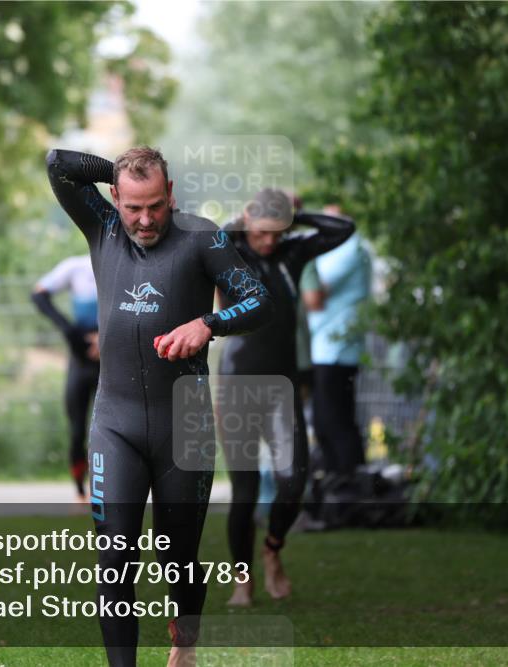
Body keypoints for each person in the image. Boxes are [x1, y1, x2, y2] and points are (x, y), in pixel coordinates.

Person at [46, 146, 274, 667]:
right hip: (116, 425)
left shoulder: (201, 237)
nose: (145, 219)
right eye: (133, 206)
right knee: (115, 560)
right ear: (114, 199)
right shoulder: (102, 227)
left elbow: (261, 300)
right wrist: (123, 171)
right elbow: (57, 162)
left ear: (170, 195)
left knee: (178, 559)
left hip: (184, 426)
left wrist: (208, 324)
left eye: (155, 205)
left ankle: (184, 643)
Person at [216, 189, 353, 606]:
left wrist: (295, 213)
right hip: (237, 383)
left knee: (294, 480)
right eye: (261, 232)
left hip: (282, 385)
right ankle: (243, 578)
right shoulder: (231, 250)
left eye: (278, 232)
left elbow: (344, 228)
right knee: (245, 489)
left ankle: (273, 550)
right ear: (247, 223)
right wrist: (248, 217)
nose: (269, 241)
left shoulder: (292, 254)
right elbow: (221, 231)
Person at [301, 205, 373, 477]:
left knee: (337, 423)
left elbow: (313, 296)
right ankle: (337, 490)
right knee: (324, 424)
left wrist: (301, 261)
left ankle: (351, 489)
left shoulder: (350, 247)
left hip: (338, 350)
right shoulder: (337, 249)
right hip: (325, 348)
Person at [31, 254, 100, 500]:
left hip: (112, 359)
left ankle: (104, 489)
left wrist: (107, 339)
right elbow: (38, 294)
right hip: (81, 359)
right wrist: (69, 331)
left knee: (108, 430)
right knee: (77, 429)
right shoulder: (75, 267)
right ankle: (80, 490)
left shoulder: (128, 261)